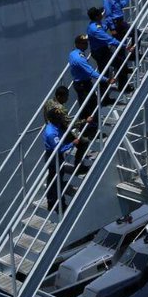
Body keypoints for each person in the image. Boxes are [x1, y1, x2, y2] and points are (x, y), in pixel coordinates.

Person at [68, 34, 111, 168]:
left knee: (84, 107)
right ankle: (92, 132)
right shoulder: (80, 58)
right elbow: (91, 72)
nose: (87, 45)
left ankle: (84, 128)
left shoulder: (73, 54)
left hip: (79, 84)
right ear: (79, 44)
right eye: (84, 43)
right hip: (84, 84)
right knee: (92, 107)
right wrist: (106, 79)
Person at [42, 86, 77, 212]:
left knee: (55, 179)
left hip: (53, 156)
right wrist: (72, 143)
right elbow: (59, 149)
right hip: (54, 157)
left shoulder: (52, 127)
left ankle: (55, 202)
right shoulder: (52, 133)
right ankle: (57, 205)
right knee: (56, 181)